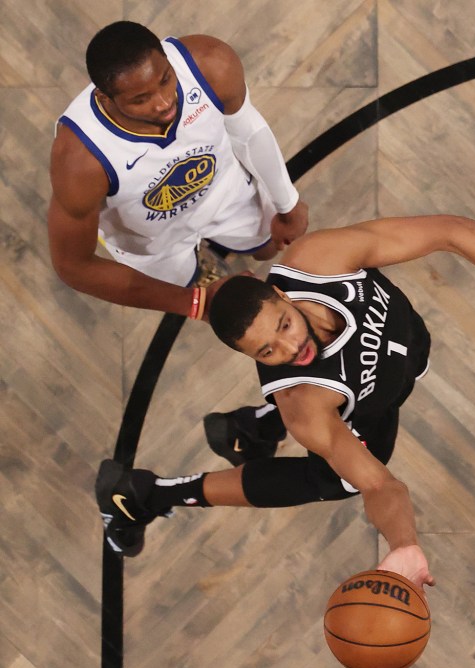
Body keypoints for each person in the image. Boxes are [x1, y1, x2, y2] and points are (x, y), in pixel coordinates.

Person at [95, 214, 475, 589]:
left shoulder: (318, 261)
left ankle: (251, 430)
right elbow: (380, 485)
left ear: (284, 294)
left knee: (336, 435)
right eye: (268, 351)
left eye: (284, 325)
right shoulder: (307, 404)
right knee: (336, 478)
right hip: (366, 406)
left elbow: (453, 232)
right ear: (250, 357)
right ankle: (151, 493)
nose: (292, 348)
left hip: (402, 361)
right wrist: (403, 546)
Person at [48, 21, 307, 459]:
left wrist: (287, 201)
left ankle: (229, 257)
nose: (164, 101)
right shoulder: (80, 160)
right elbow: (73, 266)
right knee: (193, 287)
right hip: (153, 243)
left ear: (168, 62)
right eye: (140, 99)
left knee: (267, 245)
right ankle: (201, 276)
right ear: (106, 99)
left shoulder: (209, 62)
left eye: (165, 80)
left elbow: (249, 131)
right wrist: (191, 305)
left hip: (223, 193)